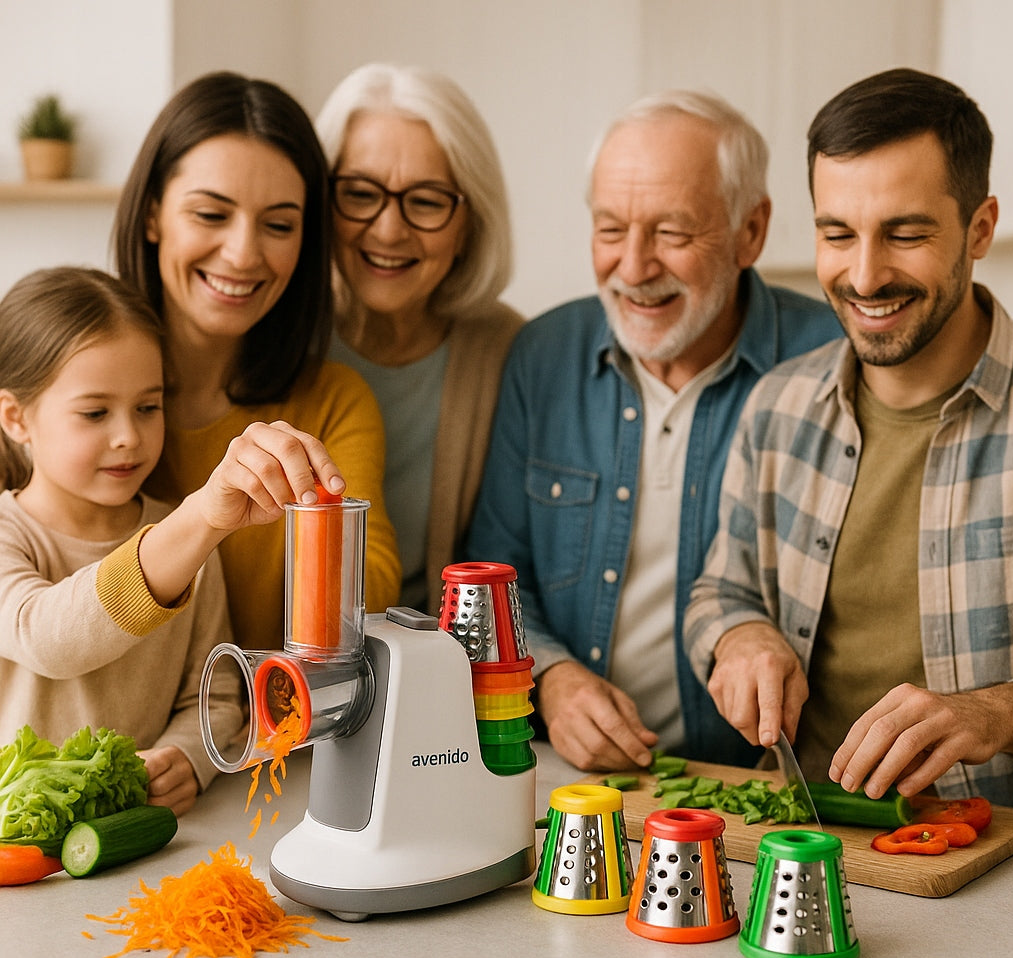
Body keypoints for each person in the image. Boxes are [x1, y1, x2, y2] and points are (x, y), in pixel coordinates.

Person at [467, 90, 840, 773]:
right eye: (611, 230)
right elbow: (494, 580)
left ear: (751, 231)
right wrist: (549, 680)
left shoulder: (831, 361)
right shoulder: (541, 355)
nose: (633, 268)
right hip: (580, 787)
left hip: (772, 791)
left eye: (671, 233)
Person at [684, 67, 1013, 808]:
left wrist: (1001, 711)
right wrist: (741, 636)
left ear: (981, 228)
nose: (865, 276)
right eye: (838, 234)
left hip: (998, 866)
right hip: (807, 844)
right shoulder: (777, 409)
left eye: (905, 234)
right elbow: (721, 589)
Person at [0, 267, 349, 815]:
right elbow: (46, 638)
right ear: (16, 418)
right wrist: (200, 521)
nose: (128, 436)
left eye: (148, 407)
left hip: (143, 835)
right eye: (95, 412)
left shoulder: (184, 541)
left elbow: (214, 694)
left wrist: (188, 756)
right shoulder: (12, 534)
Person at [114, 71, 401, 651]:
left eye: (278, 225)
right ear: (152, 216)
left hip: (263, 737)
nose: (243, 254)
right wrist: (204, 517)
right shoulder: (55, 379)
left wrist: (314, 510)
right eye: (211, 215)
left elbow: (369, 609)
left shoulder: (333, 402)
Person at [316, 63, 523, 611]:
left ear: (469, 223)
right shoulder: (281, 339)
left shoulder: (508, 351)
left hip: (446, 673)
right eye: (360, 194)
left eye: (427, 201)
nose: (388, 229)